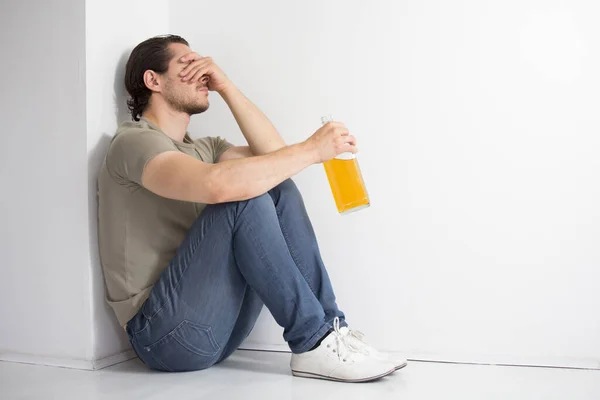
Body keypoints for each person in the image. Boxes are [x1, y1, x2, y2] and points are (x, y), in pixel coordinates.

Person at [98, 34, 407, 383]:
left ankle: (330, 330)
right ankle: (312, 340)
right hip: (162, 337)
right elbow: (217, 186)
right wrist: (310, 149)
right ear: (153, 80)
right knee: (240, 196)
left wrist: (226, 86)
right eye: (188, 65)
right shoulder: (133, 141)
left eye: (204, 65)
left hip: (218, 329)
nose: (203, 72)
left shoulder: (207, 147)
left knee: (274, 185)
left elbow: (275, 158)